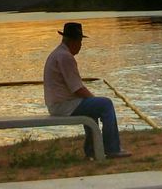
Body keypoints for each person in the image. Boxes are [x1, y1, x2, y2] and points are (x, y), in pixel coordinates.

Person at [43, 21, 131, 159]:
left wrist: (91, 101)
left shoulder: (58, 54)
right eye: (80, 42)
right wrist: (93, 99)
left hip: (58, 104)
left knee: (93, 108)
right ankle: (112, 148)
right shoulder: (65, 57)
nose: (81, 46)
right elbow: (77, 88)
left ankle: (92, 150)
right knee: (106, 104)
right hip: (63, 105)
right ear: (74, 41)